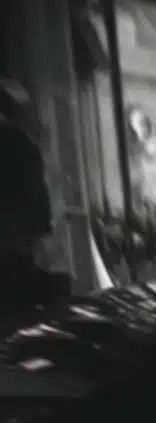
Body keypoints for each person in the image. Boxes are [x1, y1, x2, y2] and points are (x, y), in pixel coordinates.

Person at [0, 78, 69, 337]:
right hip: (16, 238)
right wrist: (42, 229)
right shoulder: (21, 143)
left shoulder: (21, 143)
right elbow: (35, 192)